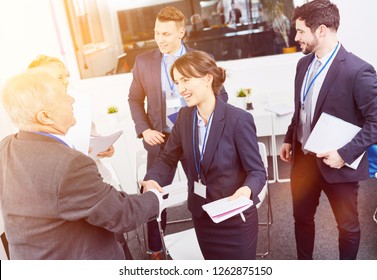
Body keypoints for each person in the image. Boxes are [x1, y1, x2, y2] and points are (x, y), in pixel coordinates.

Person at [0, 69, 163, 259]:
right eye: (63, 97)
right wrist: (153, 195)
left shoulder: (6, 146)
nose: (72, 100)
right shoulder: (68, 163)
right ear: (45, 117)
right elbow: (122, 214)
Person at [279, 0, 377, 260]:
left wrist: (344, 153)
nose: (296, 38)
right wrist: (288, 138)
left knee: (347, 227)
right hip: (303, 161)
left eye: (300, 31)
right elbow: (302, 108)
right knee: (301, 220)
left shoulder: (357, 70)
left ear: (321, 31)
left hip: (338, 163)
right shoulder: (303, 66)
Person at [140, 50, 267, 260]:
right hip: (202, 216)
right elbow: (168, 158)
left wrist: (246, 190)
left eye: (185, 80)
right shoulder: (184, 117)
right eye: (177, 82)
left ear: (207, 78)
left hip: (234, 218)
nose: (180, 89)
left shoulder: (238, 119)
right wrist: (152, 179)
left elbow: (257, 171)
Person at [128, 6, 228, 260]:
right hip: (160, 138)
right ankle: (155, 248)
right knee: (154, 191)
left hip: (195, 136)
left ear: (181, 32)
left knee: (205, 187)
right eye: (156, 33)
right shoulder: (143, 62)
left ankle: (213, 236)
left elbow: (220, 95)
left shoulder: (201, 57)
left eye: (166, 34)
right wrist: (144, 129)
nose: (159, 39)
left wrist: (208, 123)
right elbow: (134, 99)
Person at [28, 55, 116, 183]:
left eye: (65, 76)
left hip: (98, 177)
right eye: (59, 78)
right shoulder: (35, 118)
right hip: (72, 184)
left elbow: (91, 136)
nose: (66, 81)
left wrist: (104, 147)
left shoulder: (77, 104)